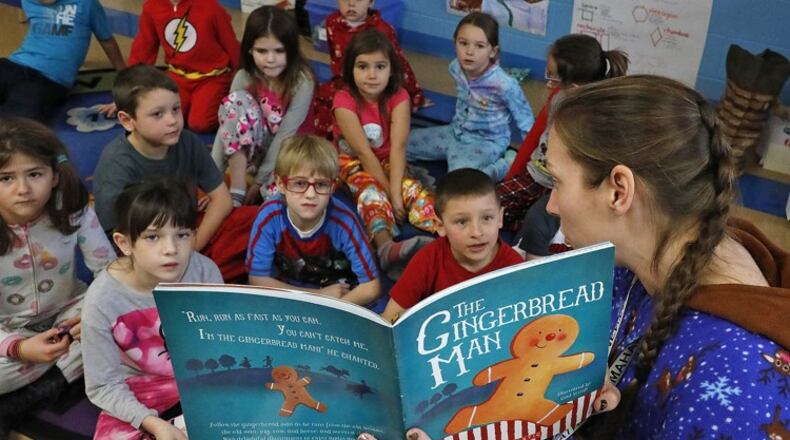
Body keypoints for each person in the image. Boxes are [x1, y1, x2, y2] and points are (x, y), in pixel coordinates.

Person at [544, 75, 789, 438]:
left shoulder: (733, 400)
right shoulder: (662, 252)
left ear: (618, 192)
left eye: (556, 182)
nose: (550, 206)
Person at [82, 176, 223, 440]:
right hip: (139, 391)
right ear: (124, 244)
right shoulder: (103, 299)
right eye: (152, 237)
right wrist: (153, 423)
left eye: (181, 235)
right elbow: (102, 385)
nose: (170, 249)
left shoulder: (204, 271)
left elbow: (221, 343)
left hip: (203, 380)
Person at [0, 117, 115, 436]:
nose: (23, 189)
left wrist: (91, 314)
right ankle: (55, 380)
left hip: (68, 316)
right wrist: (19, 349)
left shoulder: (73, 208)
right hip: (7, 331)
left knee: (121, 330)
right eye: (6, 178)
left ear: (53, 175)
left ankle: (29, 395)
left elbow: (109, 272)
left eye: (34, 174)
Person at [93, 64, 232, 254]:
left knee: (251, 224)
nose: (172, 120)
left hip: (187, 233)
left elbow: (222, 200)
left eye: (176, 109)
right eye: (158, 114)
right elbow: (118, 236)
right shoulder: (116, 165)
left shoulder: (188, 141)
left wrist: (192, 247)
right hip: (148, 249)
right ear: (127, 121)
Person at [332, 29, 439, 275]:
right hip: (356, 163)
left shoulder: (399, 96)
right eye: (363, 66)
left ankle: (447, 232)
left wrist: (398, 192)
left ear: (391, 69)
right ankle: (385, 247)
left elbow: (399, 147)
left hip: (391, 160)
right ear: (351, 69)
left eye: (380, 66)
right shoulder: (344, 100)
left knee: (413, 188)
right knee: (370, 195)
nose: (372, 75)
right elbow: (364, 153)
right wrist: (389, 194)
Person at [499, 33, 628, 233]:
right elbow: (537, 136)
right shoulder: (559, 98)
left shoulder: (590, 119)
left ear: (574, 88)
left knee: (504, 211)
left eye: (552, 76)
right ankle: (521, 224)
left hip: (549, 181)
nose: (548, 81)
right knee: (495, 206)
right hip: (535, 171)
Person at [247, 135, 380, 306]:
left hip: (341, 294)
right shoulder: (269, 216)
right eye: (300, 184)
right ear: (280, 183)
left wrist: (331, 310)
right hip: (292, 292)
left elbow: (371, 286)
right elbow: (257, 279)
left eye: (321, 185)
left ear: (332, 187)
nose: (310, 194)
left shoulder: (344, 222)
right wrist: (318, 296)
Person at [380, 168, 523, 323]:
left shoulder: (514, 267)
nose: (476, 232)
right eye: (461, 221)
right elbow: (391, 318)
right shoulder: (428, 260)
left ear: (500, 218)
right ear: (440, 225)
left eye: (487, 218)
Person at [406, 12, 534, 182]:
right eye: (463, 43)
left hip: (487, 142)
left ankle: (505, 164)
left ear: (492, 51)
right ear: (455, 43)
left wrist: (527, 157)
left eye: (479, 46)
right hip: (455, 132)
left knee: (462, 182)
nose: (469, 52)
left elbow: (526, 121)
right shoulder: (455, 68)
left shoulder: (504, 84)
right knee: (402, 144)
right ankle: (456, 158)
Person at [211, 6, 316, 207]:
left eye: (279, 51)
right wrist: (213, 176)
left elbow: (286, 136)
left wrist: (259, 181)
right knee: (234, 102)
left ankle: (254, 191)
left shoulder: (302, 81)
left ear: (291, 50)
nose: (270, 59)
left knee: (282, 198)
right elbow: (225, 127)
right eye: (262, 51)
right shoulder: (244, 77)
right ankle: (237, 191)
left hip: (290, 153)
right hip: (254, 153)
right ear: (250, 49)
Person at [313, 0, 427, 137]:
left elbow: (399, 64)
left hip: (375, 85)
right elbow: (335, 57)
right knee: (322, 101)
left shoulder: (383, 29)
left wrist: (415, 95)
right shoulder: (332, 22)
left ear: (371, 2)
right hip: (347, 81)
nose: (351, 4)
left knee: (377, 113)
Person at [0, 0, 125, 122]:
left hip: (47, 79)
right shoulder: (28, 1)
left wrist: (125, 78)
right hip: (14, 64)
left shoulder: (86, 3)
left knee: (15, 128)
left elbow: (107, 41)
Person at [124, 0, 240, 132]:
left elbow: (231, 45)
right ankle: (193, 104)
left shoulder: (210, 7)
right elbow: (143, 49)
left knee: (200, 123)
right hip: (177, 75)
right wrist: (126, 92)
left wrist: (242, 79)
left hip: (212, 77)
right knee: (162, 115)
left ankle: (215, 102)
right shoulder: (152, 7)